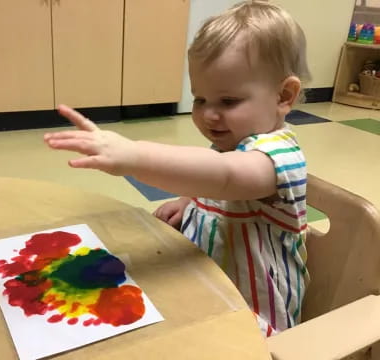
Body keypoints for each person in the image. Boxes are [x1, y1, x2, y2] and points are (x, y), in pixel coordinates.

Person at [44, 0, 310, 336]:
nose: (209, 114)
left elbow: (226, 176)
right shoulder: (232, 144)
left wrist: (134, 155)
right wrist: (188, 201)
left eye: (228, 101)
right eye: (200, 100)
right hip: (205, 285)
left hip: (254, 316)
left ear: (283, 96)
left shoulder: (279, 156)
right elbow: (214, 180)